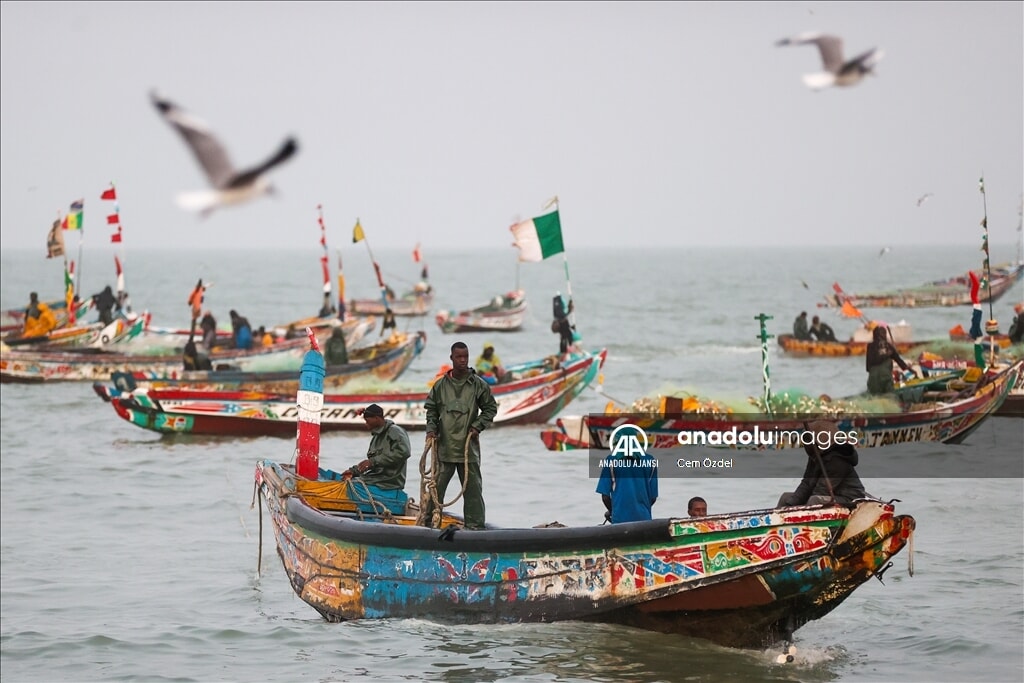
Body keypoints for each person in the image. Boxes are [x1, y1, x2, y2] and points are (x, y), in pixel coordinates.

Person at [422, 341, 498, 530]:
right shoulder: (440, 386)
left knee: (472, 490)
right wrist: (431, 429)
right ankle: (428, 523)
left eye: (466, 356)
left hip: (467, 448)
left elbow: (490, 408)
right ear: (452, 358)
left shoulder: (478, 385)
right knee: (436, 488)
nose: (463, 360)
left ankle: (475, 527)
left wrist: (477, 426)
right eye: (459, 357)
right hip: (445, 447)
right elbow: (431, 410)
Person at [341, 403, 412, 514]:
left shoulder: (395, 431)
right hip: (376, 478)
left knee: (353, 486)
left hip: (388, 481)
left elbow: (404, 452)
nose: (366, 424)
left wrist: (373, 461)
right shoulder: (376, 437)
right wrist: (354, 471)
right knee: (346, 480)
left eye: (368, 421)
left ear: (377, 418)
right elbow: (370, 463)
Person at [777, 420, 868, 507]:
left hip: (849, 499)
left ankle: (804, 522)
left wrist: (799, 507)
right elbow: (807, 483)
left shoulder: (837, 461)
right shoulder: (816, 457)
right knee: (786, 497)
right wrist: (791, 503)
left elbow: (822, 490)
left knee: (814, 500)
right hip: (828, 495)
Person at [596, 443, 659, 524]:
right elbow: (653, 498)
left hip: (620, 522)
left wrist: (613, 511)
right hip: (644, 521)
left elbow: (605, 497)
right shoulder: (651, 460)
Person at [865, 324, 915, 395]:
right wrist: (911, 371)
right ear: (884, 335)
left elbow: (867, 368)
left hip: (873, 380)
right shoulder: (889, 347)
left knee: (873, 396)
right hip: (886, 378)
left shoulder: (870, 346)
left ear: (874, 335)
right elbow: (899, 361)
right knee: (891, 396)